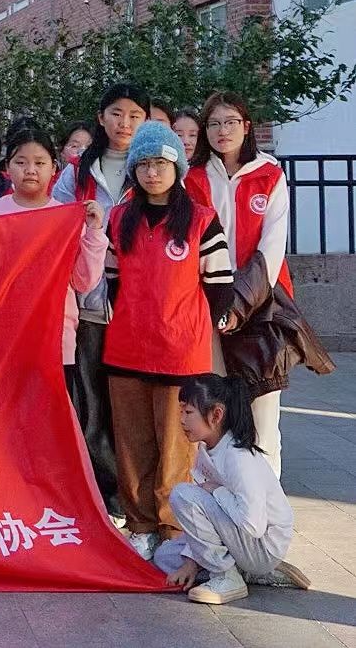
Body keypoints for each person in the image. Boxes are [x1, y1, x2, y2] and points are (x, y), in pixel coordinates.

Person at [103, 121, 234, 561]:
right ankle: (140, 525)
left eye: (160, 162)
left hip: (181, 353)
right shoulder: (120, 219)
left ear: (176, 166)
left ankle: (174, 528)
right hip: (126, 349)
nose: (151, 172)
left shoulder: (200, 219)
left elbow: (220, 284)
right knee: (132, 445)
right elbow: (112, 281)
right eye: (142, 164)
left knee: (178, 446)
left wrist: (190, 327)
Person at [184, 92, 334, 478]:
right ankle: (218, 495)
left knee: (263, 413)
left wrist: (238, 304)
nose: (222, 131)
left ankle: (265, 502)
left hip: (263, 305)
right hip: (209, 303)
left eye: (231, 122)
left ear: (246, 126)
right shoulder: (193, 178)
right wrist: (219, 303)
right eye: (214, 124)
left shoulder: (270, 174)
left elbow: (271, 247)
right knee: (213, 407)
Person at [51, 82, 151, 524]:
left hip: (139, 304)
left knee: (133, 406)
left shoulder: (153, 168)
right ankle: (105, 496)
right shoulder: (76, 172)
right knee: (92, 404)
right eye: (116, 113)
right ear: (101, 118)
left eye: (134, 115)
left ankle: (141, 496)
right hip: (90, 302)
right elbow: (53, 225)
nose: (124, 123)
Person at [0, 129, 106, 374]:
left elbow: (84, 282)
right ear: (7, 166)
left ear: (54, 168)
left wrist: (94, 232)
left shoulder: (66, 219)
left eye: (40, 163)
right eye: (21, 162)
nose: (30, 170)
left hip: (54, 337)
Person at [154, 374, 309, 605]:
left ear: (216, 415)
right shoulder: (206, 450)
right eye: (181, 411)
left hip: (262, 545)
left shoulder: (239, 458)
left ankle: (227, 577)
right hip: (239, 538)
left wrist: (217, 491)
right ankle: (243, 571)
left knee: (182, 495)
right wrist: (190, 561)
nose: (182, 420)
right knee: (164, 557)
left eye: (188, 412)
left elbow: (253, 525)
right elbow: (204, 518)